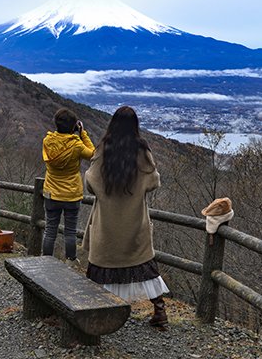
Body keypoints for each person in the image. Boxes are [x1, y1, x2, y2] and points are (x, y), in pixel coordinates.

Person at [82, 106, 170, 328]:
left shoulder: (103, 149)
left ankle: (95, 312)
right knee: (143, 264)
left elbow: (91, 183)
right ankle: (159, 310)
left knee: (101, 266)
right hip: (134, 220)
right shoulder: (142, 151)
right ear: (135, 125)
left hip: (107, 222)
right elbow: (154, 181)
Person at [42, 108, 95, 264]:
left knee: (50, 230)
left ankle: (46, 261)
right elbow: (93, 153)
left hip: (51, 191)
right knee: (70, 231)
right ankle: (70, 261)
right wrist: (82, 133)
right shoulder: (76, 145)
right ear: (74, 127)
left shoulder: (47, 141)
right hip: (71, 194)